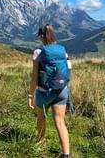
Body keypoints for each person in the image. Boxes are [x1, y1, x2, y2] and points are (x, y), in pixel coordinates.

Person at [28, 24, 72, 158]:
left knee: (41, 117)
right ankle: (66, 154)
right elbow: (68, 71)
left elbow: (35, 77)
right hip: (61, 90)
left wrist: (30, 94)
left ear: (42, 36)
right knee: (60, 121)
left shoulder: (38, 52)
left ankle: (41, 142)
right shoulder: (63, 51)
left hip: (44, 92)